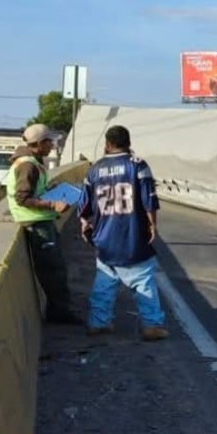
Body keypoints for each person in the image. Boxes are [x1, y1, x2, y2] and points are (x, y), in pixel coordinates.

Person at [78, 125, 168, 341]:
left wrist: (84, 225)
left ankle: (99, 323)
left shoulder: (94, 169)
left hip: (104, 237)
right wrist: (152, 225)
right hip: (133, 236)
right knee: (143, 281)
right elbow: (149, 201)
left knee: (104, 282)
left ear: (107, 144)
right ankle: (151, 325)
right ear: (128, 142)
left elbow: (84, 206)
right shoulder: (138, 166)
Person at [8, 124, 81, 324]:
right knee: (54, 271)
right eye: (49, 141)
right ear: (39, 144)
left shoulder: (31, 162)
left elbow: (31, 192)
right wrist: (52, 203)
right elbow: (22, 198)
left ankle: (58, 311)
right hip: (36, 224)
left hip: (39, 221)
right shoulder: (28, 165)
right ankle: (60, 314)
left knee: (54, 269)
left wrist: (50, 191)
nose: (52, 145)